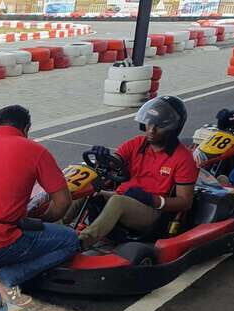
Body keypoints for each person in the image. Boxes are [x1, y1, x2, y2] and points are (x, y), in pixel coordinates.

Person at [0, 105, 80, 296]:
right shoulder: (36, 151)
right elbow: (62, 202)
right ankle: (6, 279)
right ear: (26, 128)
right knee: (70, 240)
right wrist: (43, 220)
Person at [64, 95, 199, 247]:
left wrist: (152, 199)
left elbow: (185, 202)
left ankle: (80, 242)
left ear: (172, 129)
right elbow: (115, 161)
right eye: (149, 123)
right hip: (124, 197)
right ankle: (56, 229)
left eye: (158, 126)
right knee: (88, 189)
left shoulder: (183, 158)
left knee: (118, 201)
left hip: (153, 211)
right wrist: (104, 158)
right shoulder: (137, 144)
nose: (151, 130)